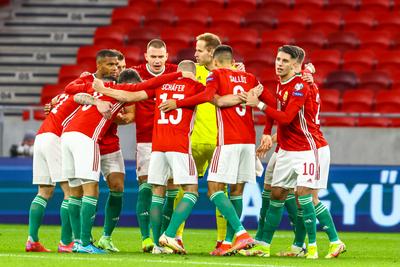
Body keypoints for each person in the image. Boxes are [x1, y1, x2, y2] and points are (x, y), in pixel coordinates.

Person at [159, 45, 271, 256]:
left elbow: (209, 96)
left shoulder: (214, 74)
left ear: (214, 57)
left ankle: (238, 233)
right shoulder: (248, 77)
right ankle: (228, 243)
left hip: (225, 142)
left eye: (199, 50)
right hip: (248, 141)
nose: (196, 54)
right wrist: (266, 130)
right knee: (236, 192)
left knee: (212, 189)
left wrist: (178, 103)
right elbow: (272, 103)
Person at [240, 45, 333, 259]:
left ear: (294, 65)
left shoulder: (301, 85)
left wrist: (260, 105)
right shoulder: (283, 84)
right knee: (277, 193)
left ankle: (311, 246)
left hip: (307, 148)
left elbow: (287, 117)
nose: (279, 64)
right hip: (287, 147)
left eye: (284, 61)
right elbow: (278, 110)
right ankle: (264, 244)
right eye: (277, 59)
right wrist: (267, 132)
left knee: (306, 197)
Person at [25, 84, 111, 253]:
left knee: (44, 191)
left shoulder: (63, 96)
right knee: (70, 193)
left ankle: (32, 240)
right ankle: (66, 242)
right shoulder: (84, 96)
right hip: (56, 138)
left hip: (41, 136)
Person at [63, 50, 135, 252]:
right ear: (101, 66)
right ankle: (83, 241)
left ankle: (90, 239)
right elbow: (71, 92)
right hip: (89, 140)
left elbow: (130, 116)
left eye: (119, 66)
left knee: (84, 189)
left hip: (84, 139)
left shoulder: (106, 88)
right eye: (113, 65)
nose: (116, 69)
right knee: (87, 190)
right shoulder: (99, 84)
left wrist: (108, 109)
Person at [131, 39, 180, 252]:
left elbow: (206, 73)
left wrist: (235, 68)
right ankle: (145, 238)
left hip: (170, 138)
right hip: (146, 140)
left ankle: (162, 238)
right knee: (146, 188)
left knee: (170, 189)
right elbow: (114, 77)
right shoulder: (136, 72)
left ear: (167, 56)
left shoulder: (176, 72)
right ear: (146, 56)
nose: (158, 60)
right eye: (154, 56)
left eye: (161, 56)